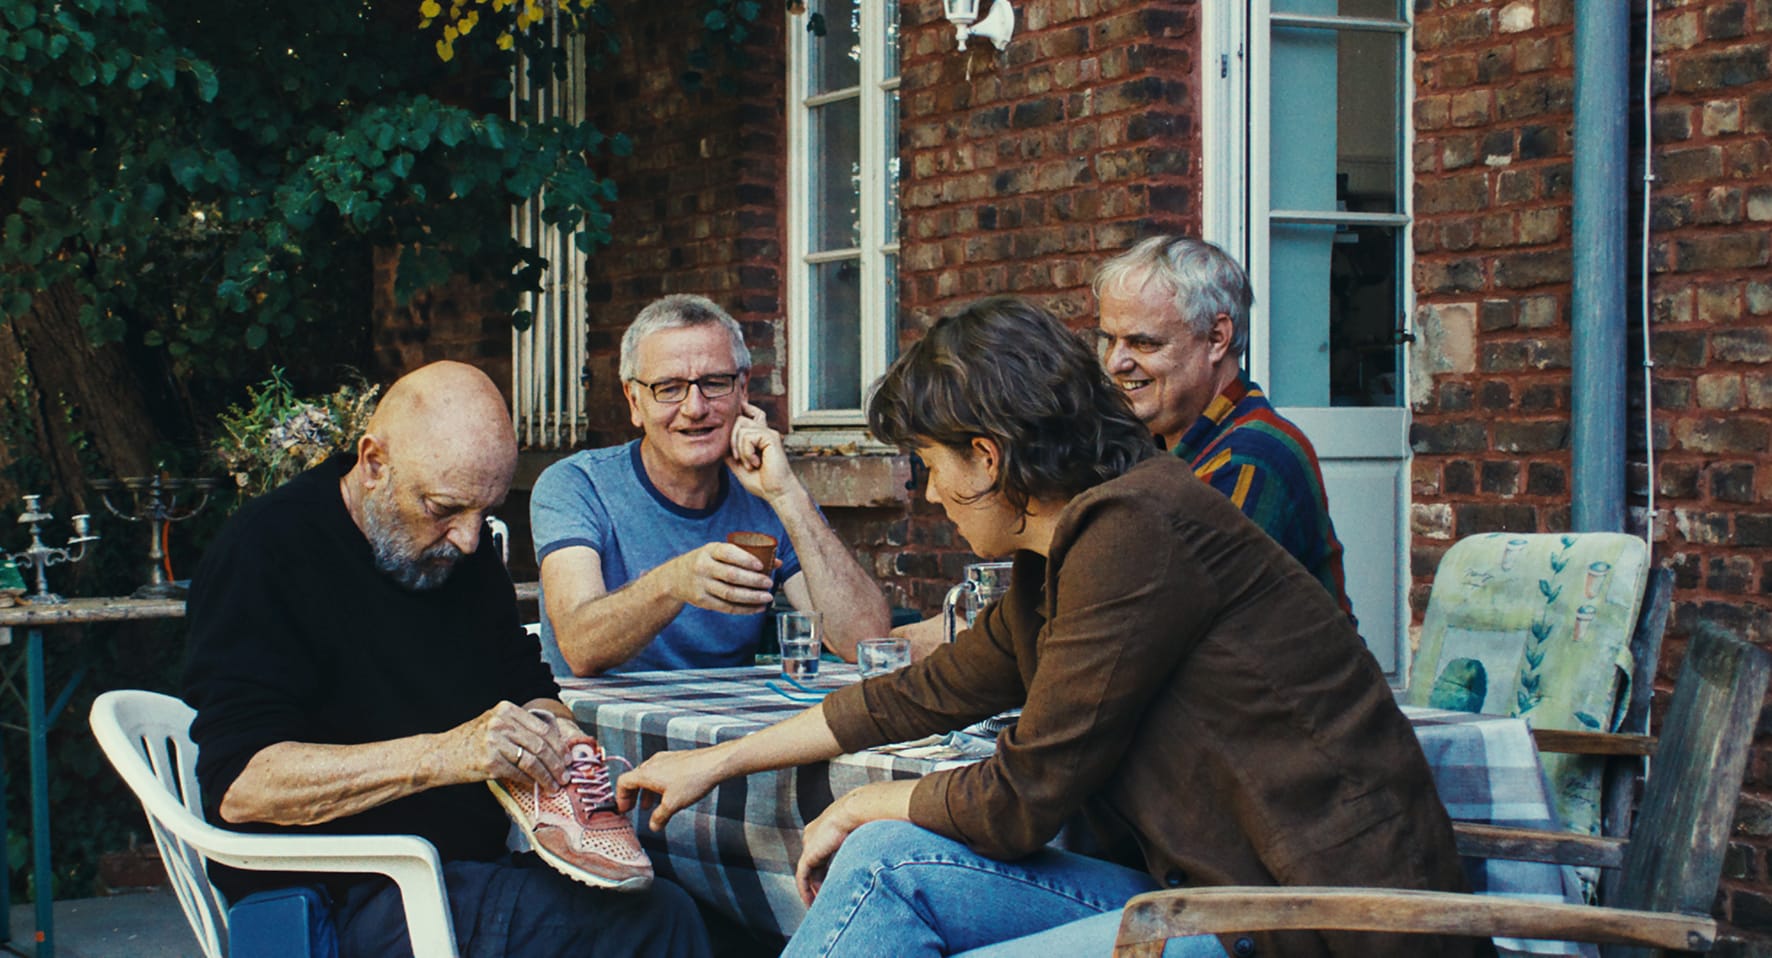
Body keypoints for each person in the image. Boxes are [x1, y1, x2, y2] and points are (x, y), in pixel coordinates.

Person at [614, 298, 1487, 958]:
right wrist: (716, 759)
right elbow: (922, 693)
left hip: (1315, 924)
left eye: (929, 465)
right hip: (1209, 898)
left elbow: (1021, 800)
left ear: (987, 458)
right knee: (886, 857)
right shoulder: (1065, 551)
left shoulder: (1135, 532)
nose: (929, 493)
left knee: (882, 851)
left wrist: (867, 798)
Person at [182, 361, 710, 958]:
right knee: (656, 924)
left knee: (683, 891)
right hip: (336, 895)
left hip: (459, 873)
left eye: (484, 513)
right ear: (375, 464)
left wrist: (553, 735)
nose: (466, 538)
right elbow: (242, 783)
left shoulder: (462, 548)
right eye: (443, 509)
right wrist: (447, 754)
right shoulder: (265, 550)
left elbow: (524, 678)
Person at [530, 293, 889, 675]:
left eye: (715, 383)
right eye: (668, 388)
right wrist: (675, 581)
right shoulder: (577, 485)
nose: (695, 408)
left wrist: (787, 495)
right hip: (596, 728)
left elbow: (864, 641)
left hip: (728, 725)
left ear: (743, 390)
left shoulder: (766, 491)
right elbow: (579, 647)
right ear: (634, 401)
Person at [1093, 235, 1355, 619]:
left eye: (1142, 343)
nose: (1115, 362)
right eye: (1109, 340)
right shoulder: (1158, 444)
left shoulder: (1250, 457)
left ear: (1217, 338)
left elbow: (1159, 620)